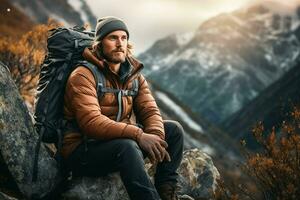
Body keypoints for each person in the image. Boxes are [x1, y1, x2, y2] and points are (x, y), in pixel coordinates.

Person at [61, 16, 184, 200]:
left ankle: (166, 192)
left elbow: (150, 111)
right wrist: (139, 135)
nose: (120, 43)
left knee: (174, 130)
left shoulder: (133, 75)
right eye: (113, 38)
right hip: (82, 150)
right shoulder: (83, 75)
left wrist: (156, 138)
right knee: (127, 146)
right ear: (99, 44)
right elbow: (91, 123)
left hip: (119, 142)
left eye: (123, 38)